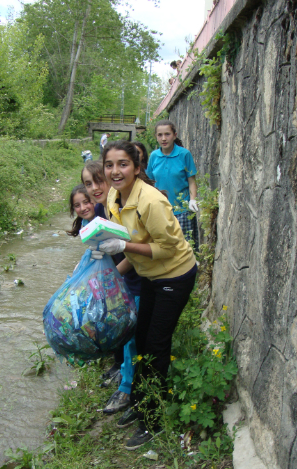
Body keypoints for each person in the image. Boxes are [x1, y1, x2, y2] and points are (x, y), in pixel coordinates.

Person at [93, 140, 197, 450]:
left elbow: (168, 249)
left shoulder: (151, 202)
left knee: (156, 344)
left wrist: (123, 247)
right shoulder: (113, 196)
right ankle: (140, 401)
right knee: (140, 337)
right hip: (150, 274)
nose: (115, 171)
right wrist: (100, 277)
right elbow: (126, 245)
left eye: (123, 164)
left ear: (138, 168)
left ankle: (151, 420)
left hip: (174, 276)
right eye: (109, 165)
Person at [82, 161, 142, 414]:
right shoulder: (98, 208)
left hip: (139, 277)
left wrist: (110, 277)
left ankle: (128, 390)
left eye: (98, 181)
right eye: (88, 183)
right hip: (121, 278)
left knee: (130, 334)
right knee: (120, 329)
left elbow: (134, 251)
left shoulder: (122, 206)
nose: (95, 188)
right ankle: (124, 373)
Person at [146, 120, 199, 250]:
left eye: (167, 134)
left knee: (186, 247)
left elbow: (191, 181)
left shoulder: (184, 154)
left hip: (182, 209)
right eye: (160, 135)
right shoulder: (154, 156)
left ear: (174, 135)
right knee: (165, 247)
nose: (163, 138)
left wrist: (192, 200)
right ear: (156, 137)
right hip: (161, 210)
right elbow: (150, 183)